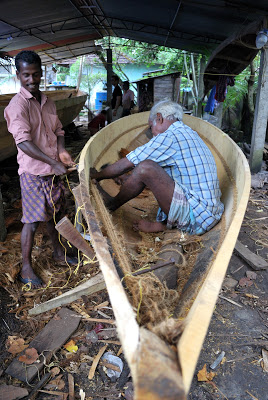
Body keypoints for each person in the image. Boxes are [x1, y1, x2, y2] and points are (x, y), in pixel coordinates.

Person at [90, 100, 224, 235]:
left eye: (150, 127)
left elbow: (126, 164)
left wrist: (95, 175)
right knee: (150, 168)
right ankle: (163, 225)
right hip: (208, 214)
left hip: (197, 218)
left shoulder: (170, 136)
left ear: (159, 118)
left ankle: (111, 204)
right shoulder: (189, 133)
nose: (152, 132)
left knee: (145, 168)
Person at [4, 50, 78, 288]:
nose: (32, 80)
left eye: (36, 74)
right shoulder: (17, 106)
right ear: (18, 75)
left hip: (52, 171)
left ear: (41, 73)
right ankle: (26, 268)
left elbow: (58, 131)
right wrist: (53, 163)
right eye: (26, 75)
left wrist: (62, 152)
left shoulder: (48, 102)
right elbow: (23, 142)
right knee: (32, 221)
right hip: (34, 173)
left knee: (56, 214)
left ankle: (57, 252)